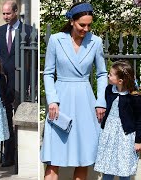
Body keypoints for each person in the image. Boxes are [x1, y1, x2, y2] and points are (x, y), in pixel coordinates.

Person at [40, 2, 108, 179]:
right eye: (82, 25)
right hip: (60, 101)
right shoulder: (55, 40)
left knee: (82, 157)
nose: (86, 29)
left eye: (89, 25)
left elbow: (102, 74)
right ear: (71, 21)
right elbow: (48, 72)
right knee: (54, 157)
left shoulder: (96, 42)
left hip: (85, 101)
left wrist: (101, 101)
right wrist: (52, 100)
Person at [0, 0, 32, 167]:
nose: (5, 17)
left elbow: (31, 59)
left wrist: (31, 83)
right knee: (5, 117)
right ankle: (8, 156)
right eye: (3, 13)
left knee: (19, 117)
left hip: (20, 80)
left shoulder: (29, 31)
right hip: (3, 80)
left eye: (8, 13)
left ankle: (20, 156)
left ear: (16, 12)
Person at [94, 60, 141, 180]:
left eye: (111, 74)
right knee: (107, 167)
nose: (108, 76)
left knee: (124, 169)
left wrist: (138, 141)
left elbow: (139, 120)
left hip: (125, 137)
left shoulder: (134, 97)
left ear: (120, 81)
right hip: (109, 134)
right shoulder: (109, 90)